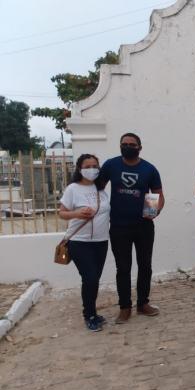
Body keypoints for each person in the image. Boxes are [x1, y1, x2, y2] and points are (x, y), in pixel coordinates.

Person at [99, 132, 165, 324]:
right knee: (123, 268)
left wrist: (154, 211)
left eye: (132, 144)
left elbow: (158, 195)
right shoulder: (111, 165)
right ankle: (125, 308)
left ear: (139, 147)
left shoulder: (149, 169)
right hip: (118, 226)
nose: (128, 146)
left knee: (145, 266)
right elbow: (97, 189)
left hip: (144, 226)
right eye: (124, 143)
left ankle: (143, 304)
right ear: (120, 146)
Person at [59, 154, 110, 332]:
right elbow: (62, 212)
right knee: (89, 278)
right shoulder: (73, 189)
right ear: (80, 169)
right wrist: (77, 214)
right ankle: (88, 315)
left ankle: (93, 312)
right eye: (87, 166)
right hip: (80, 242)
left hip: (101, 241)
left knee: (94, 279)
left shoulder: (101, 189)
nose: (92, 169)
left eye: (95, 166)